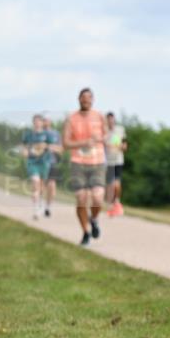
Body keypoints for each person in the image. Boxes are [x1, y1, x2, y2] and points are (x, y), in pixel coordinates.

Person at [63, 88, 108, 245]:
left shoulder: (99, 116)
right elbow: (66, 143)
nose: (86, 100)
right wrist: (84, 142)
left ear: (93, 100)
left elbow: (108, 136)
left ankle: (94, 219)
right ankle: (86, 232)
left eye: (89, 98)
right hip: (78, 162)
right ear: (79, 99)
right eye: (83, 98)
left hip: (97, 162)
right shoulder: (71, 119)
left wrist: (111, 141)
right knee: (81, 199)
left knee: (97, 197)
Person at [21, 114, 52, 219]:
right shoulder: (28, 135)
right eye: (35, 121)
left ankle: (41, 203)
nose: (37, 123)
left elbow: (53, 146)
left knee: (42, 187)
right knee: (35, 183)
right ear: (33, 122)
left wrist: (45, 146)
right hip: (32, 162)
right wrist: (25, 151)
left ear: (42, 123)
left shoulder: (47, 135)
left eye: (39, 121)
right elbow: (24, 146)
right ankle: (35, 210)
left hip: (44, 163)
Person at [104, 112, 127, 217]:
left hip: (118, 160)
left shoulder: (120, 130)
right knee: (109, 185)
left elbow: (124, 145)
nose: (110, 122)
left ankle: (117, 202)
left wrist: (119, 146)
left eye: (112, 119)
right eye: (108, 120)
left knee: (116, 183)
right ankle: (110, 206)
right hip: (108, 162)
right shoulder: (104, 131)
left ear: (114, 120)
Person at [42, 116, 63, 217]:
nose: (45, 122)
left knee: (52, 186)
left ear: (50, 121)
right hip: (39, 163)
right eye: (43, 120)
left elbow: (61, 149)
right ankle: (39, 203)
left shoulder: (56, 134)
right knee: (41, 186)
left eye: (46, 120)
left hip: (52, 162)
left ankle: (48, 207)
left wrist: (51, 147)